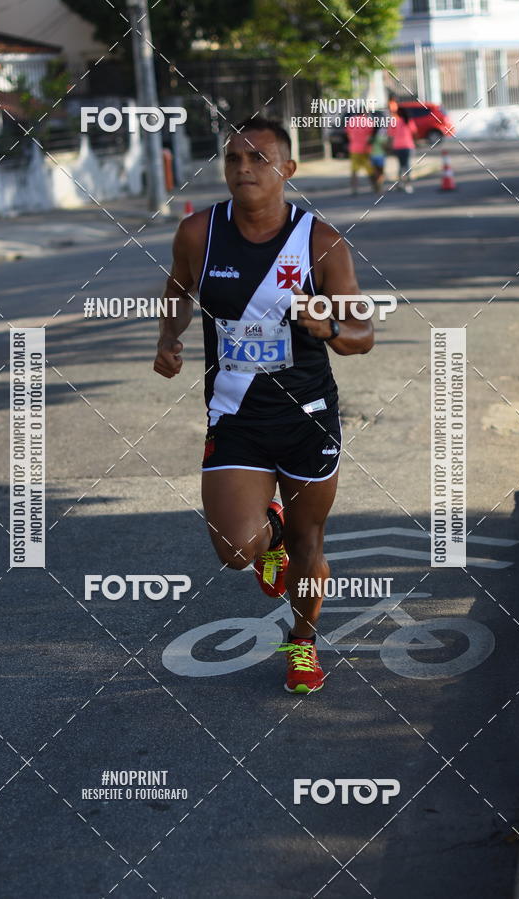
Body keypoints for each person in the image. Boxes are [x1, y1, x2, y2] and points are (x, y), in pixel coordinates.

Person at [153, 117, 374, 694]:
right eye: (233, 159)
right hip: (235, 415)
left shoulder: (321, 243)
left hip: (308, 415)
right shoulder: (199, 233)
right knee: (234, 550)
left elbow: (362, 332)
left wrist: (325, 327)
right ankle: (265, 538)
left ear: (288, 170)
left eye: (259, 158)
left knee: (311, 544)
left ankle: (302, 644)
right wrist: (168, 337)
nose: (244, 169)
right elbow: (179, 288)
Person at [344, 112, 376, 195]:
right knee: (369, 169)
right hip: (365, 148)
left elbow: (348, 134)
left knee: (354, 170)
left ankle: (354, 189)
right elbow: (370, 136)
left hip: (354, 148)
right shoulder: (368, 121)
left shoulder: (351, 121)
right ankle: (375, 187)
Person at [387, 108, 418, 193]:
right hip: (408, 146)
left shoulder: (394, 122)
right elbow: (414, 133)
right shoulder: (408, 121)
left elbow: (390, 136)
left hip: (397, 147)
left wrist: (389, 147)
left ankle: (400, 183)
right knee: (407, 166)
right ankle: (408, 185)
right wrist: (416, 143)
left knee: (401, 166)